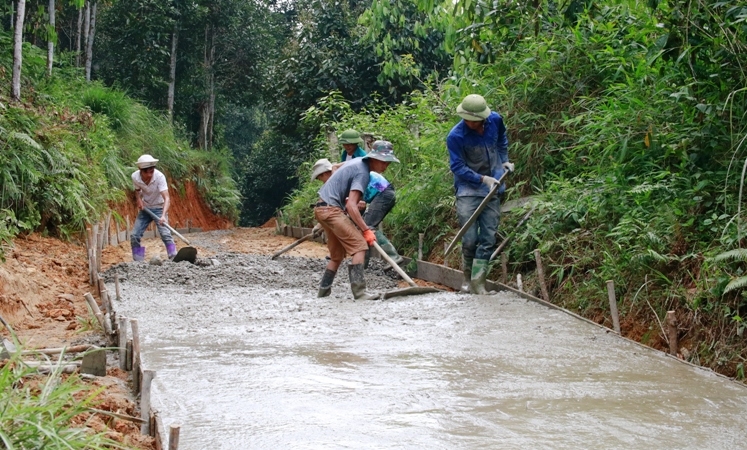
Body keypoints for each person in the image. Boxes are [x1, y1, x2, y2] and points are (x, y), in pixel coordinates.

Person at [313, 141, 400, 299]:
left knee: (336, 256)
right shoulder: (363, 172)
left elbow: (336, 168)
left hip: (321, 208)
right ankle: (360, 293)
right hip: (331, 210)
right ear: (374, 158)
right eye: (384, 162)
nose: (386, 166)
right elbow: (352, 206)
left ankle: (323, 292)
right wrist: (366, 230)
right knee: (360, 246)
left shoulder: (356, 162)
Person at [446, 94, 514, 294]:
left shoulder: (495, 120)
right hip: (469, 190)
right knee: (469, 239)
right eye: (466, 119)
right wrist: (482, 179)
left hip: (493, 186)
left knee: (488, 236)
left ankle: (479, 283)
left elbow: (501, 140)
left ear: (483, 117)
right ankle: (467, 280)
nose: (469, 123)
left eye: (473, 120)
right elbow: (457, 166)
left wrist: (504, 161)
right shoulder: (456, 136)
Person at [311, 155, 404, 265]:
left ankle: (393, 256)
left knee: (367, 226)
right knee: (359, 225)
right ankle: (362, 262)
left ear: (325, 173)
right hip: (378, 193)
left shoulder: (341, 175)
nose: (322, 181)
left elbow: (352, 204)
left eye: (320, 178)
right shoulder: (344, 172)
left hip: (383, 192)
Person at [130, 154, 176, 261]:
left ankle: (174, 257)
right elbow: (137, 191)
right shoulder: (135, 177)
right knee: (135, 235)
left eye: (152, 171)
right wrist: (139, 199)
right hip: (146, 209)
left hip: (159, 208)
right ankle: (138, 261)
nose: (150, 174)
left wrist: (163, 215)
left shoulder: (159, 177)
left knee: (165, 234)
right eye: (148, 172)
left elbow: (167, 198)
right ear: (141, 170)